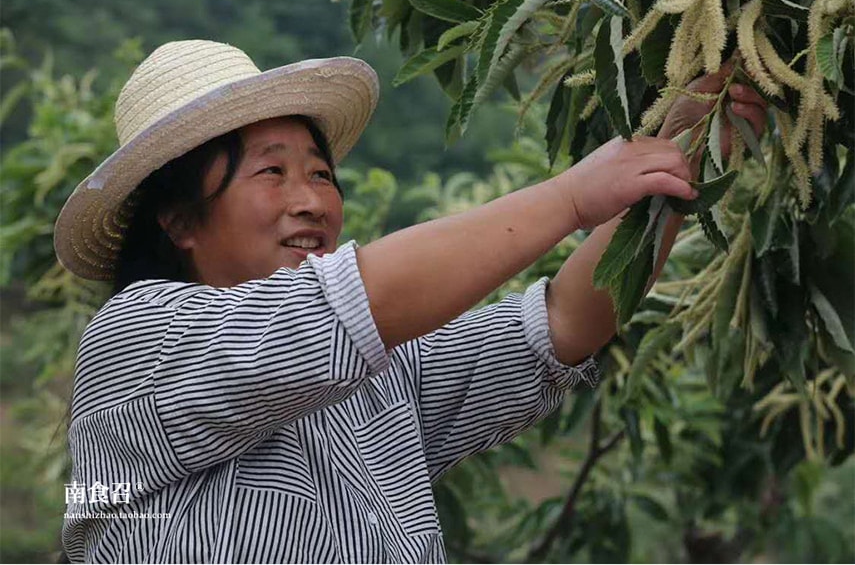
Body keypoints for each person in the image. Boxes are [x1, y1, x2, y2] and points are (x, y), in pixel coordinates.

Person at [55, 38, 766, 565]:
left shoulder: (382, 372)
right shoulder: (136, 333)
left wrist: (682, 158)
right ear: (179, 221)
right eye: (271, 173)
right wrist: (571, 197)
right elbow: (345, 304)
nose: (312, 201)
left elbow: (560, 324)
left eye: (320, 174)